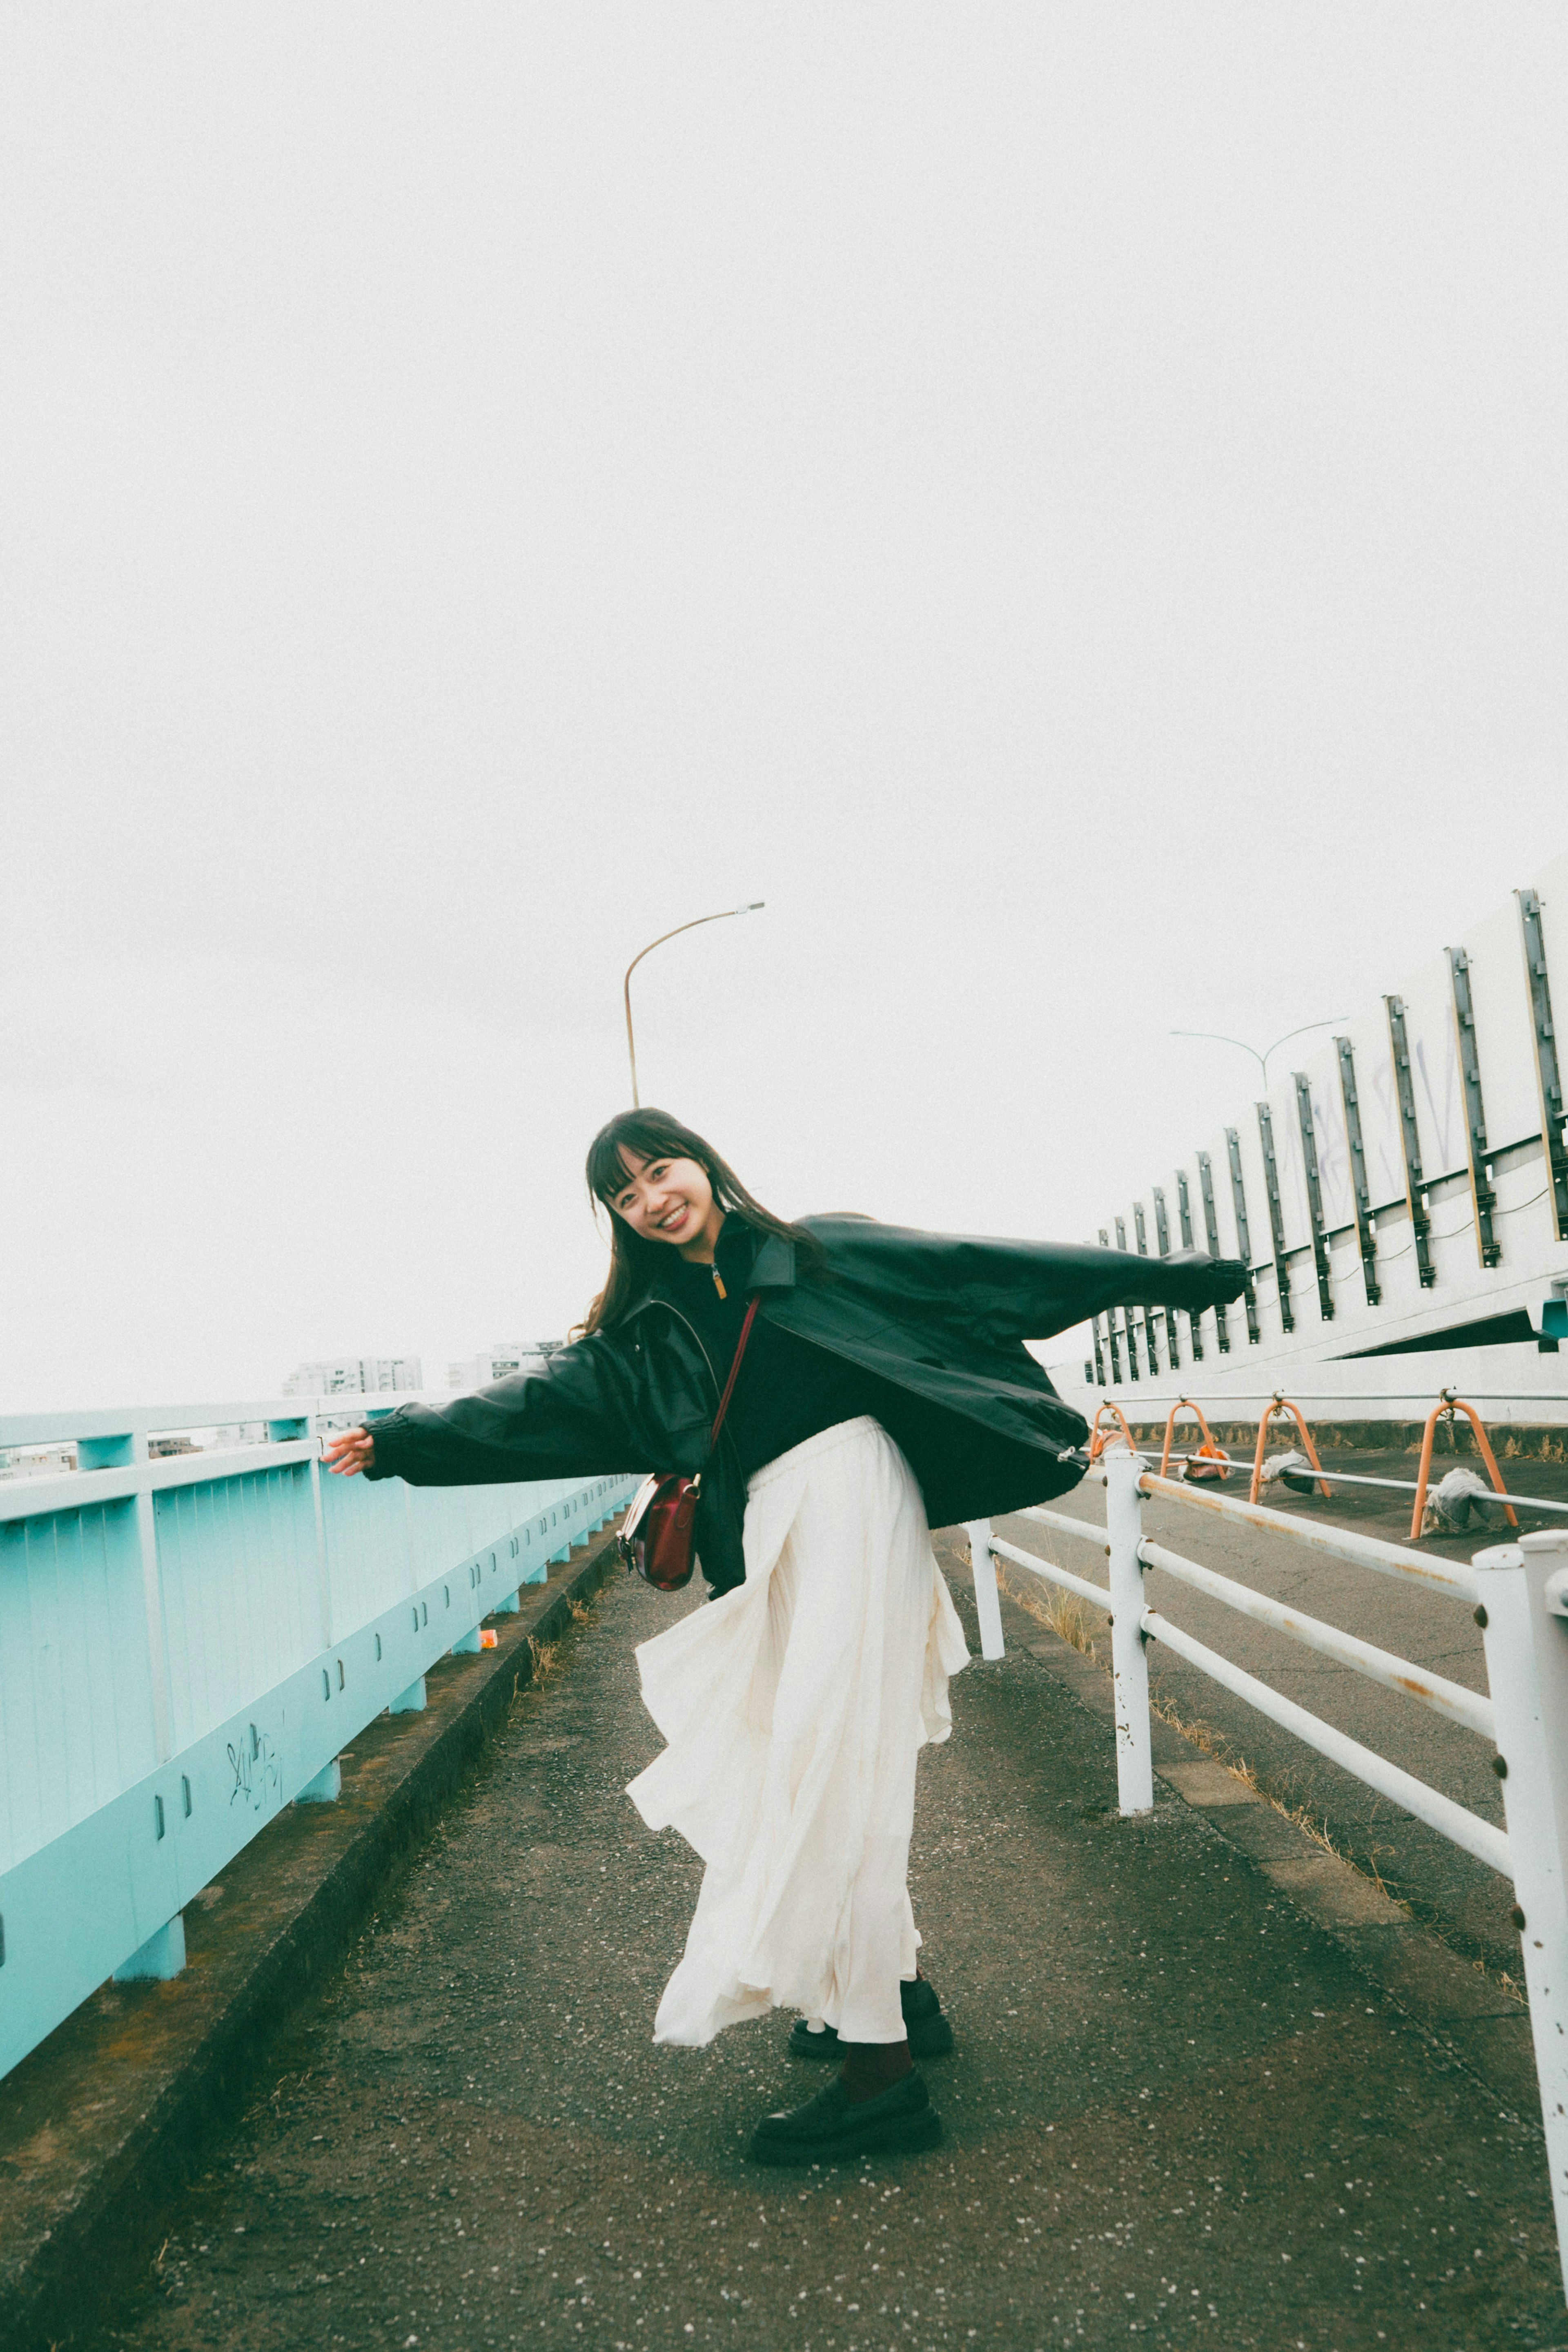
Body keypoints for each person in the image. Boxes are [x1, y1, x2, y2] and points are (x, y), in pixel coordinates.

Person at [324, 1107, 1246, 2165]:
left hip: (853, 1503)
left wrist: (1163, 1280)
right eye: (625, 1197)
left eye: (659, 1171)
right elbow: (542, 1405)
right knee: (805, 1756)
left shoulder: (819, 1255)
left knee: (829, 1766)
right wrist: (400, 1440)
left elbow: (981, 1270)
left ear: (703, 1164)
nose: (653, 1200)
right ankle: (889, 1990)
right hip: (770, 1529)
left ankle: (880, 2070)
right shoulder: (656, 1323)